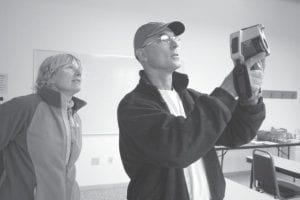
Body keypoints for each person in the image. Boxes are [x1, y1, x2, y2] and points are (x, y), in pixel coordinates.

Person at [117, 21, 266, 200]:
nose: (175, 43)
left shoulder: (193, 99)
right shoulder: (133, 106)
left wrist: (250, 102)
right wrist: (227, 90)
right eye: (164, 39)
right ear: (142, 54)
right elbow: (178, 149)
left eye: (176, 38)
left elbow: (236, 134)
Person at [0, 53, 86, 200]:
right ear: (50, 76)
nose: (78, 72)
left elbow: (66, 167)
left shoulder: (74, 115)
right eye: (69, 67)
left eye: (79, 69)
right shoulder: (25, 107)